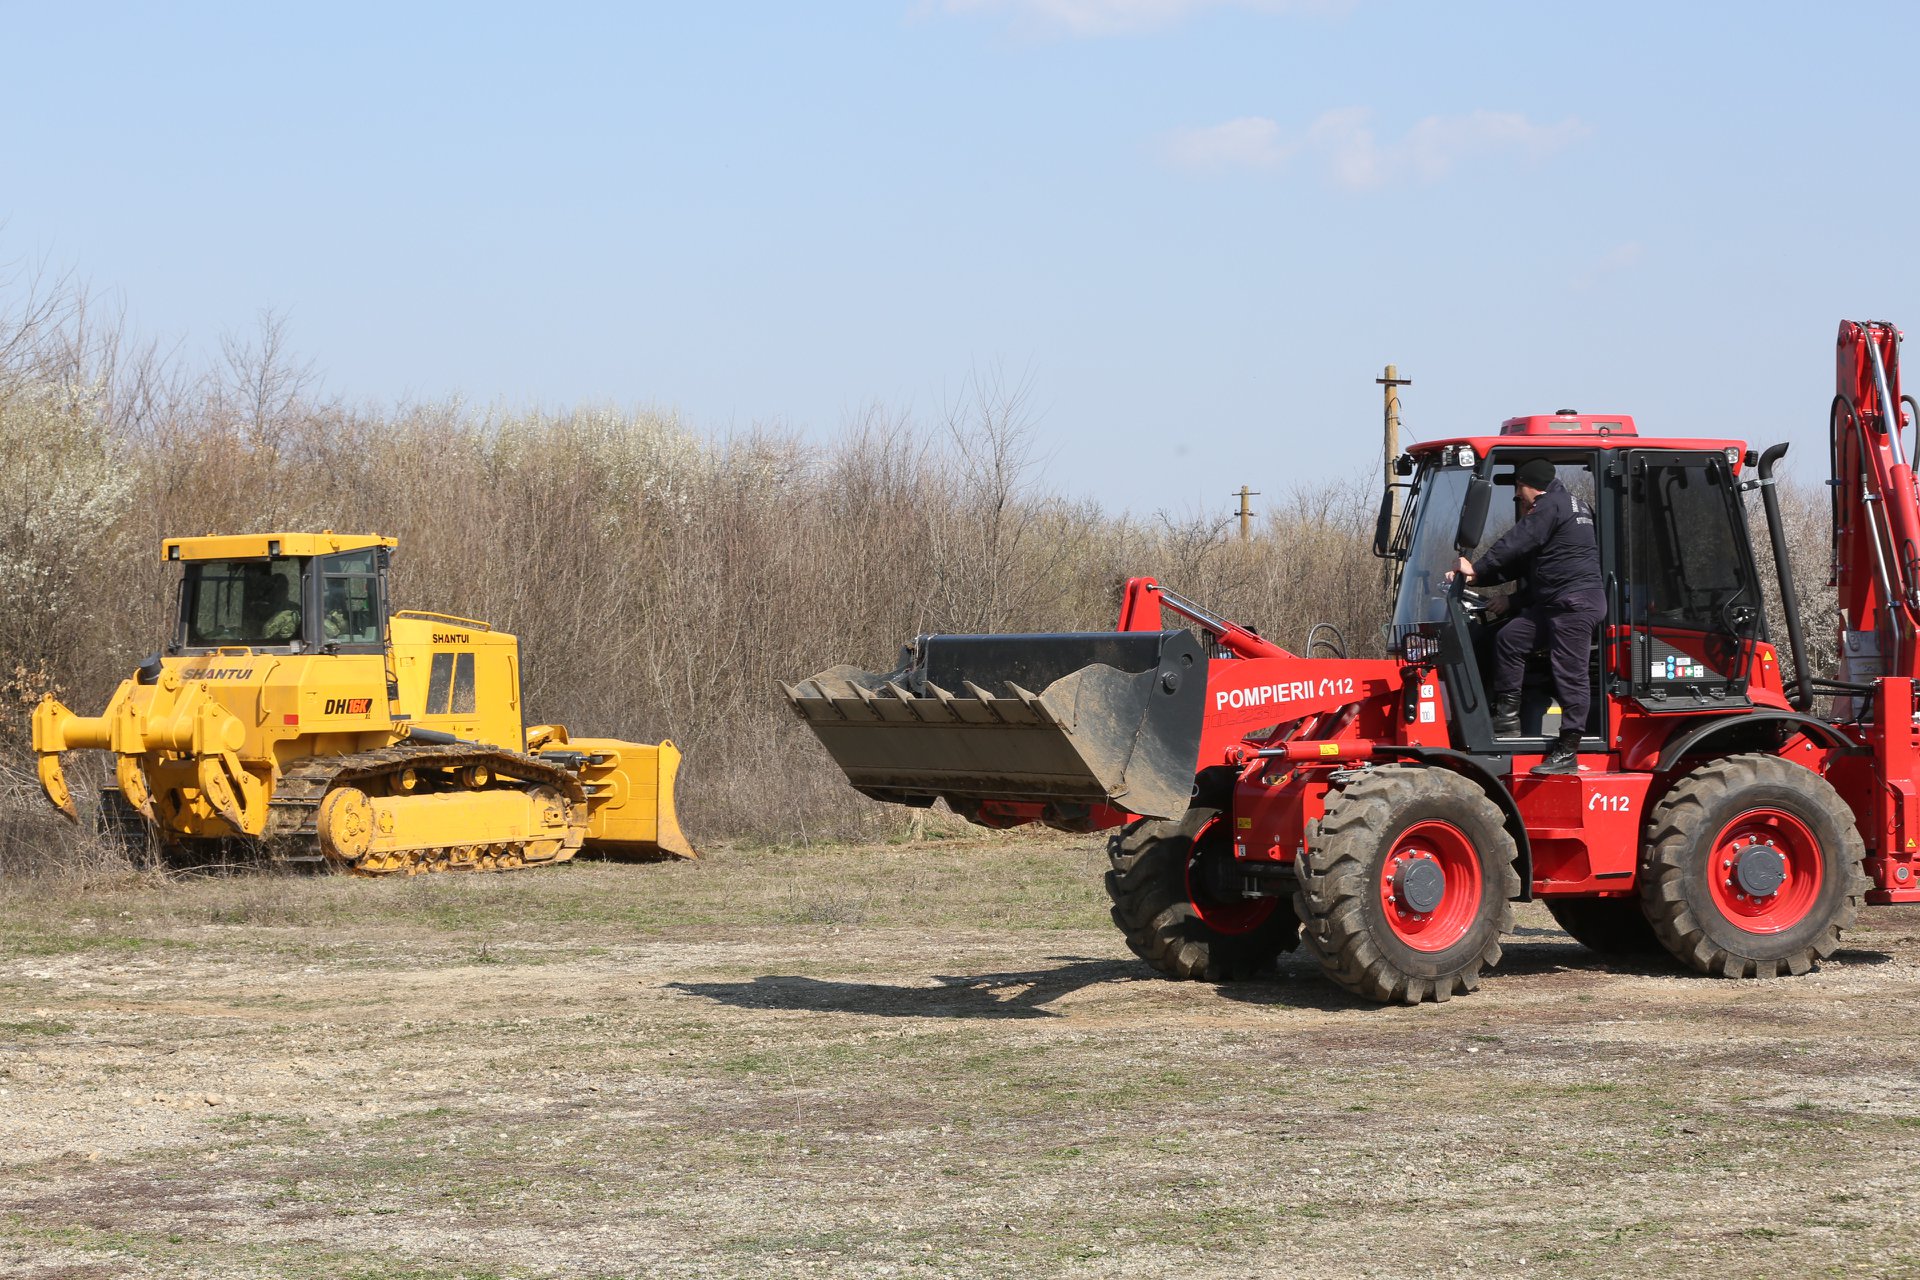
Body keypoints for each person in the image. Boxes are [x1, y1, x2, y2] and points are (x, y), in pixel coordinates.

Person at [1452, 458, 1605, 776]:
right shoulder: (1570, 506)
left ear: (1528, 485)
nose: (1518, 498)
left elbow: (1518, 541)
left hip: (1573, 606)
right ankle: (1507, 721)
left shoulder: (1551, 505)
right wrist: (1476, 580)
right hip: (1554, 604)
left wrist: (1477, 566)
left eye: (1518, 490)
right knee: (1510, 637)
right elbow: (1533, 566)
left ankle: (1568, 750)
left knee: (1570, 674)